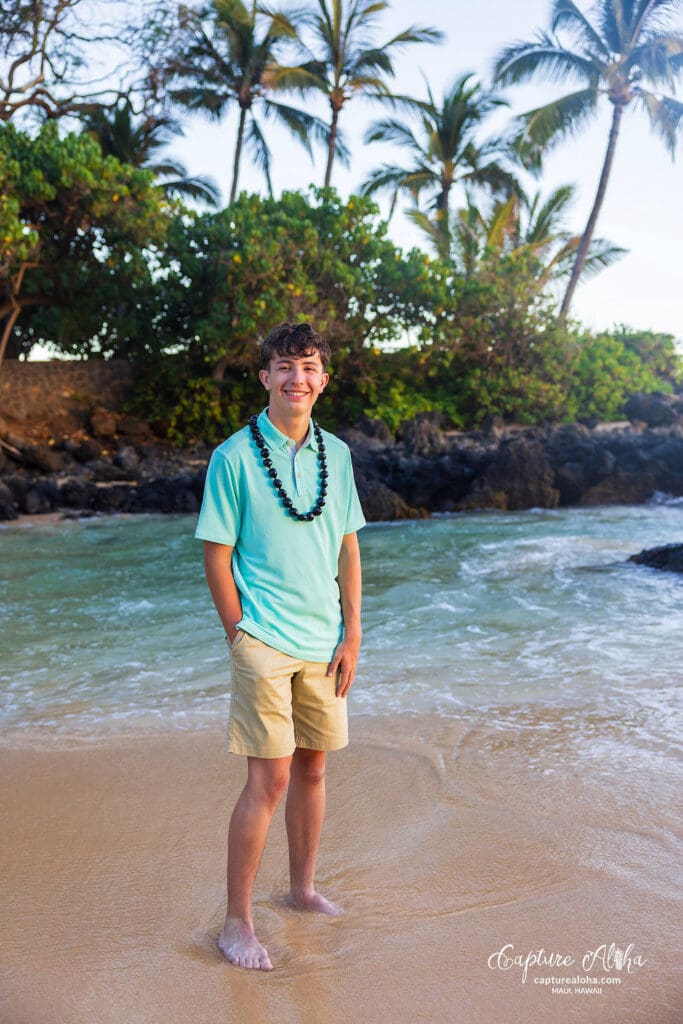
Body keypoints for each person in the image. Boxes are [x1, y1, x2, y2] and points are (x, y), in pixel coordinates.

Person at [194, 321, 365, 972]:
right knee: (268, 780)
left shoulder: (338, 455)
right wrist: (237, 633)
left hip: (325, 641)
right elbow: (216, 551)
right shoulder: (233, 457)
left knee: (314, 770)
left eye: (309, 367)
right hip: (263, 638)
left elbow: (347, 546)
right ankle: (236, 924)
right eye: (284, 366)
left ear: (324, 380)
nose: (297, 378)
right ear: (264, 377)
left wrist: (352, 633)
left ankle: (300, 889)